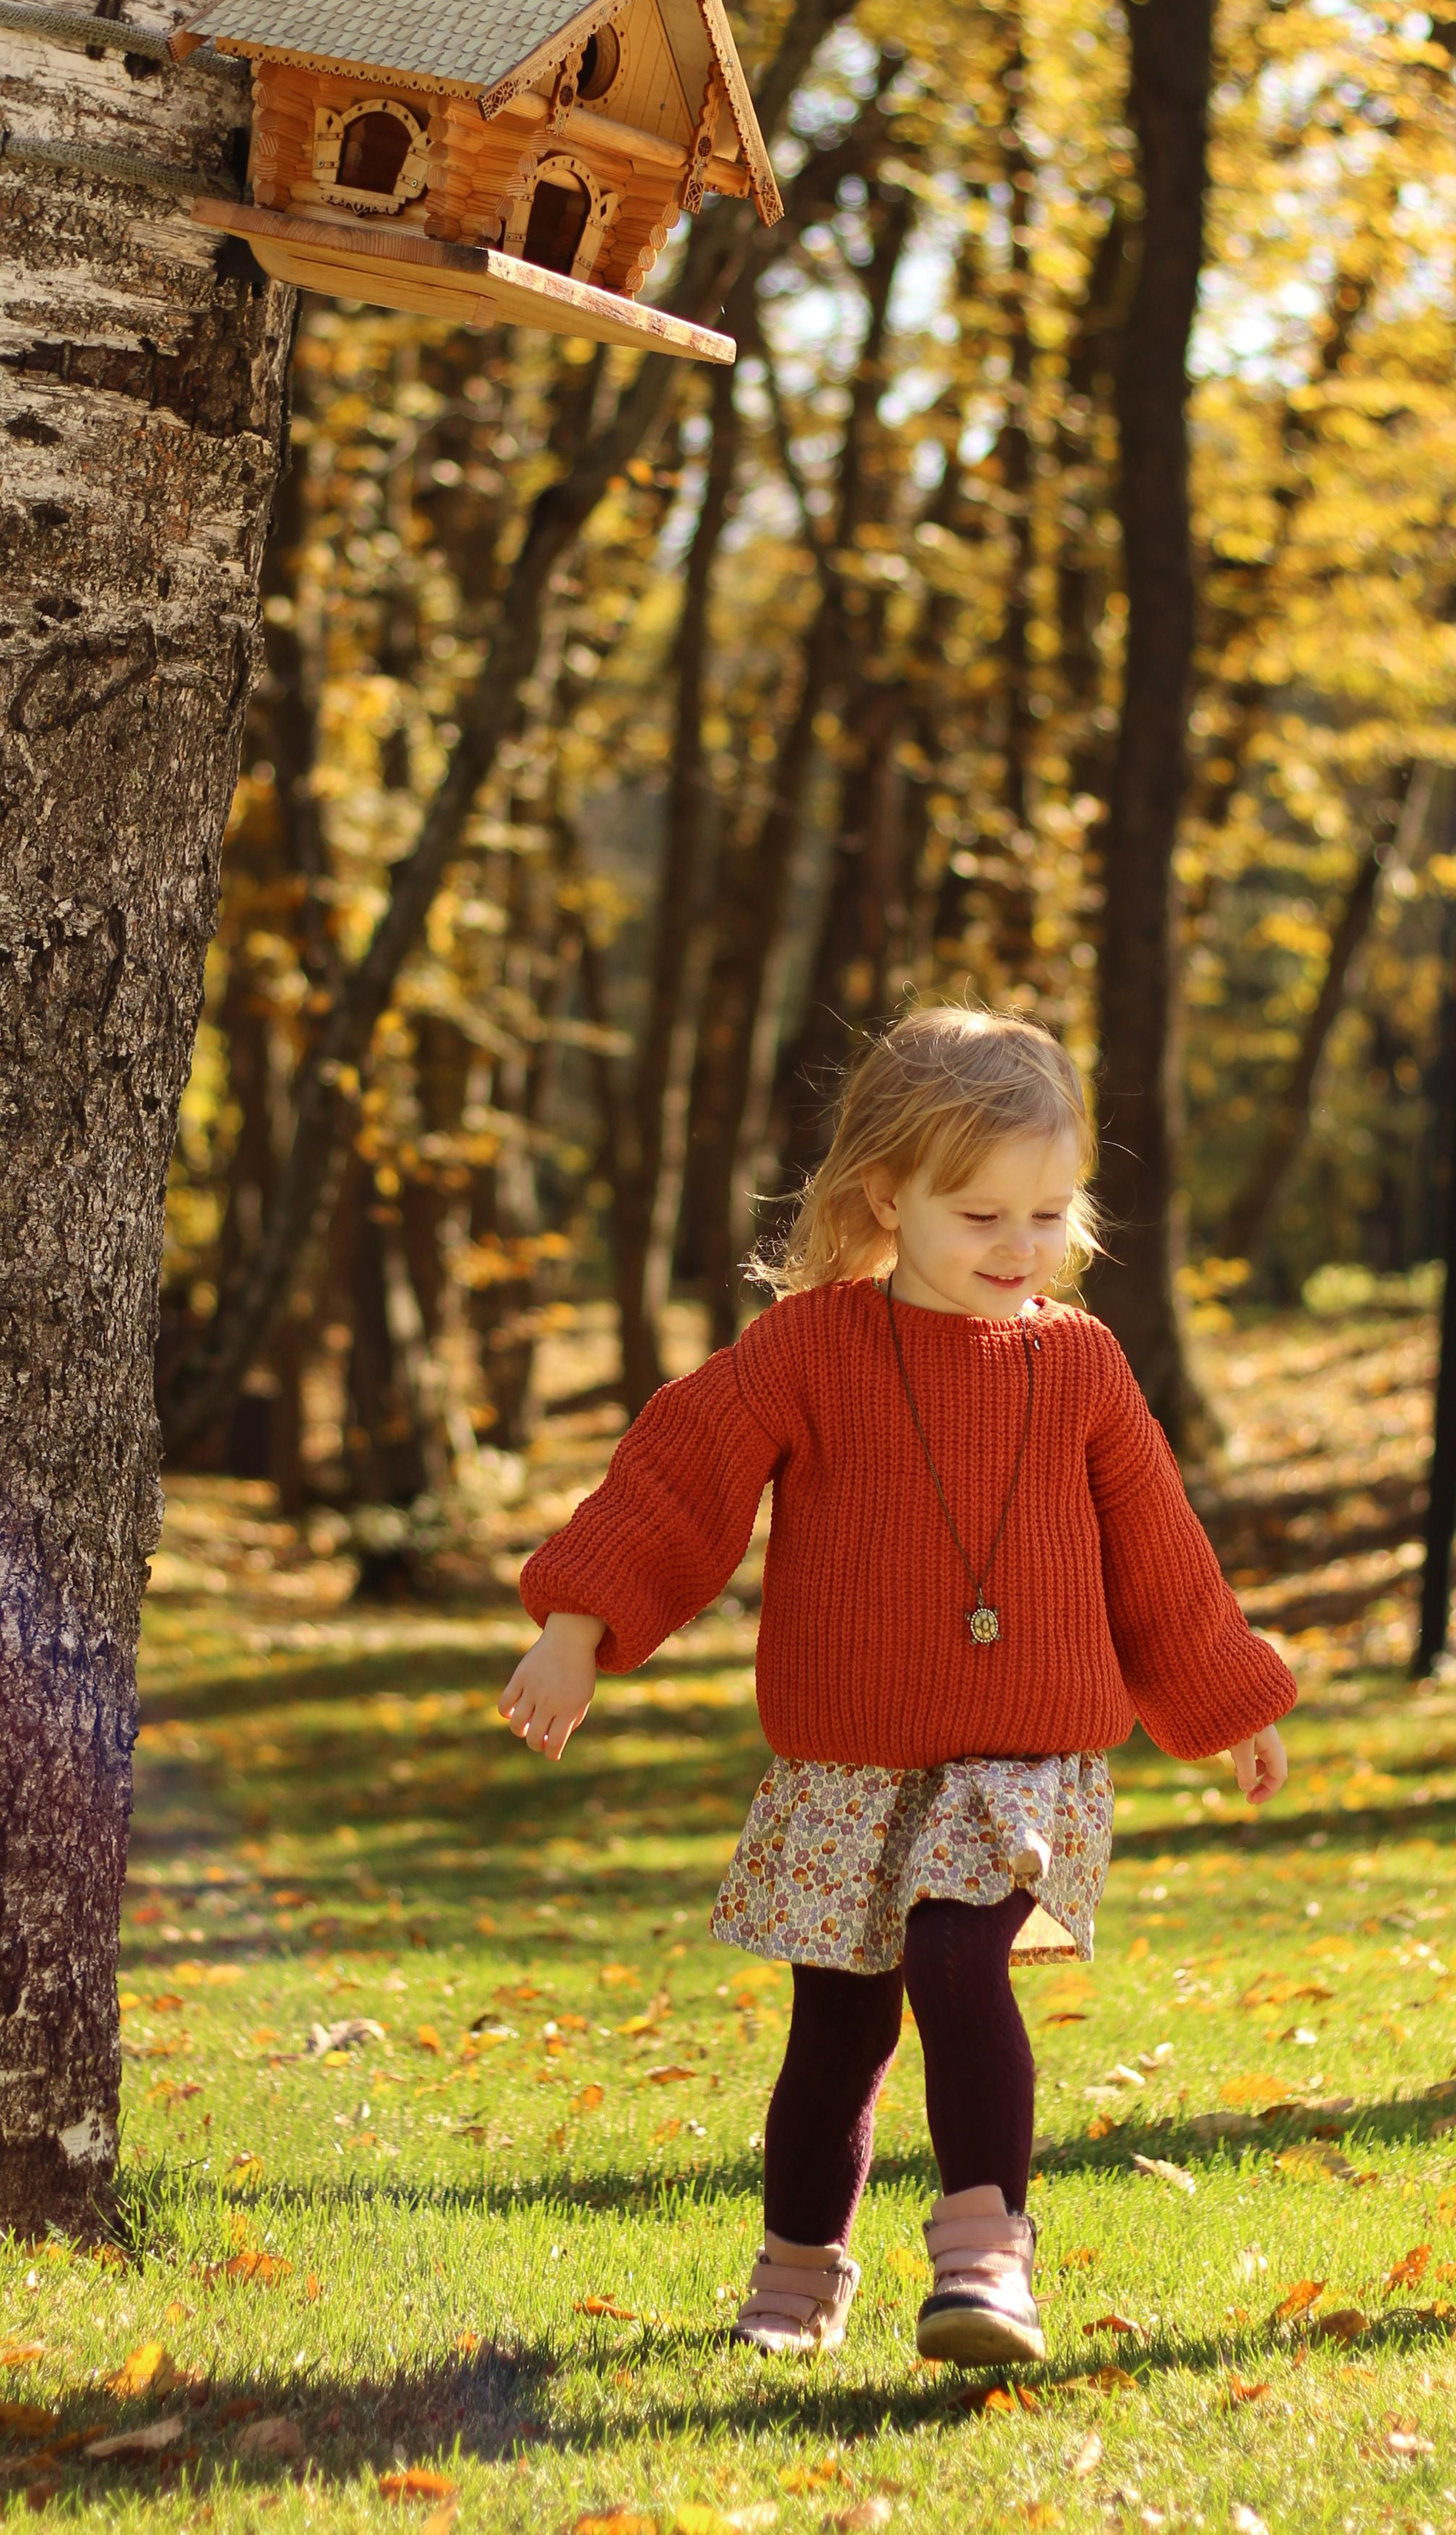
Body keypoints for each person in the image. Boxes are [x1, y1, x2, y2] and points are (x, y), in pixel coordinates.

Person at [499, 1005, 1292, 2368]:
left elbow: (1159, 1549)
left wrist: (1229, 1697)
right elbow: (682, 1479)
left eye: (1048, 1214)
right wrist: (582, 1624)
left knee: (953, 1950)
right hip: (849, 1758)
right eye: (981, 1214)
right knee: (837, 2025)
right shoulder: (812, 1350)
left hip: (1020, 1758)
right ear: (890, 1198)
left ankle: (986, 2260)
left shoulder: (1083, 1366)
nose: (1020, 1248)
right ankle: (799, 2270)